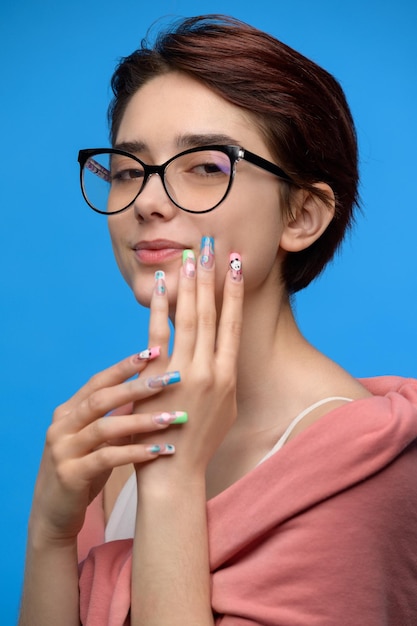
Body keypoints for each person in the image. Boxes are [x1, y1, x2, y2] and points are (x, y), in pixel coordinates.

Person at [18, 14, 417, 626]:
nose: (147, 201)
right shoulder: (122, 438)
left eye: (205, 166)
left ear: (302, 215)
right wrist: (48, 535)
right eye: (129, 169)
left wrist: (174, 486)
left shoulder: (367, 472)